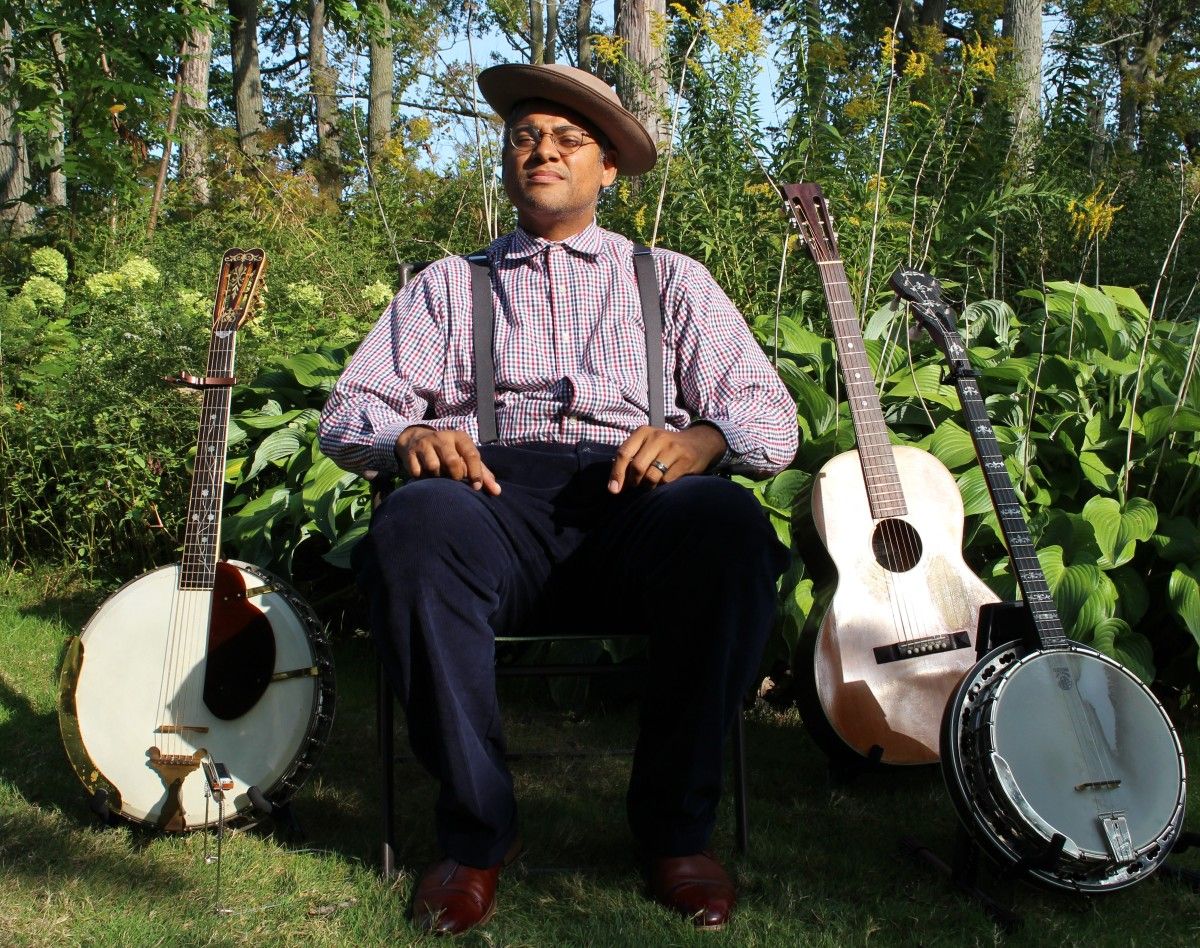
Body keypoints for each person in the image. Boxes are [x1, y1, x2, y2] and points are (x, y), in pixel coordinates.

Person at [318, 62, 797, 935]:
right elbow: (350, 414)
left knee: (728, 523)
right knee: (413, 522)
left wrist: (704, 440)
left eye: (569, 139)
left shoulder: (673, 281)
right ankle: (475, 836)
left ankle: (676, 832)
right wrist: (408, 438)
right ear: (508, 161)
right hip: (490, 504)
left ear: (607, 168)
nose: (543, 150)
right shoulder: (447, 286)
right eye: (525, 137)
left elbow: (772, 420)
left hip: (636, 506)